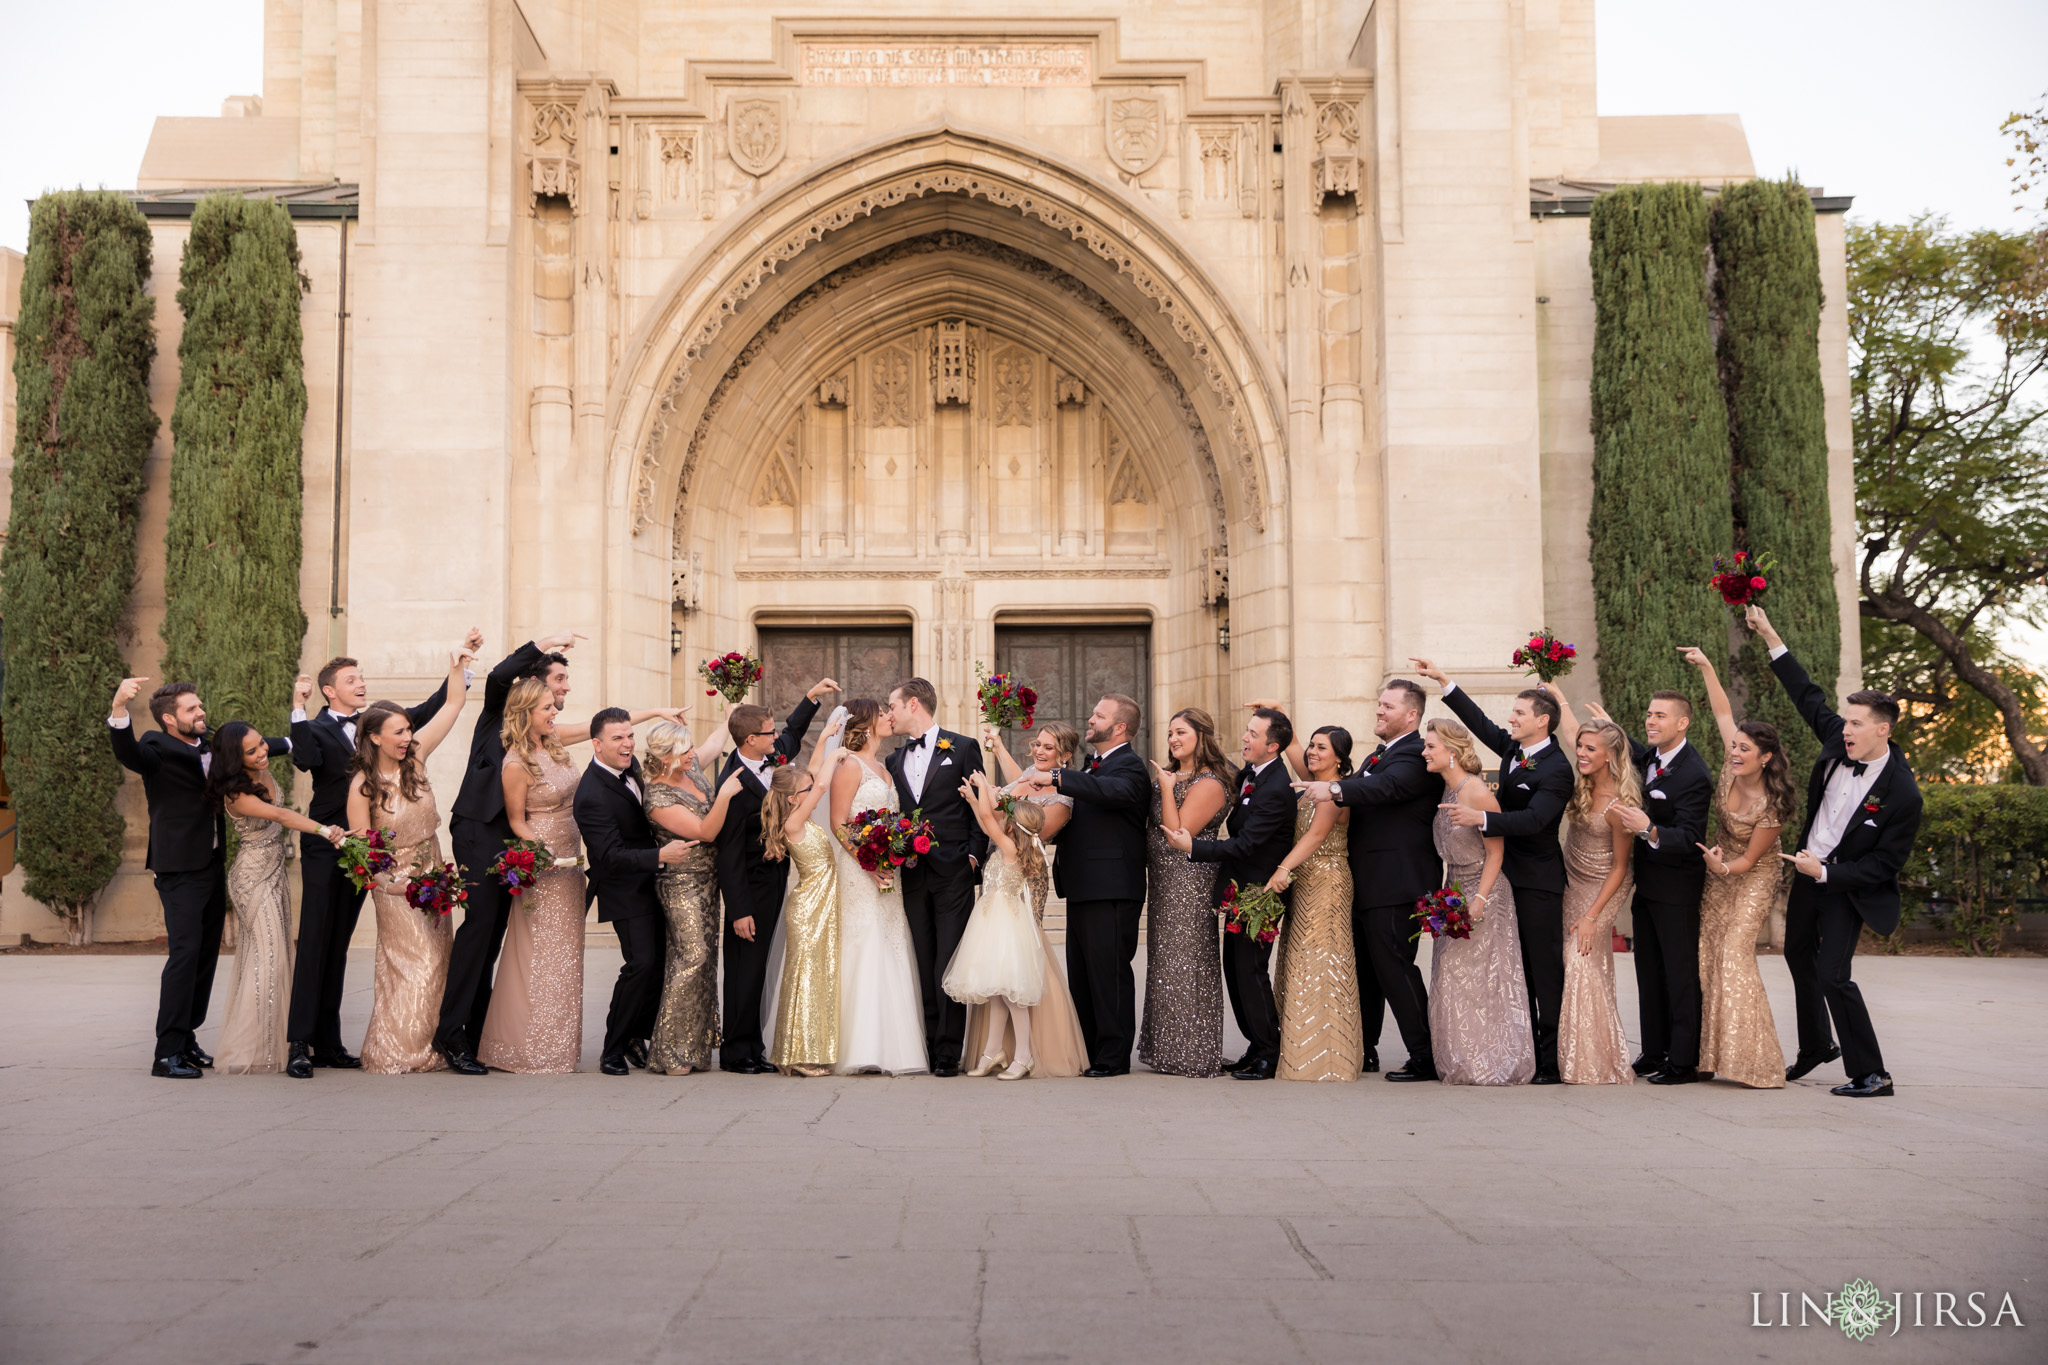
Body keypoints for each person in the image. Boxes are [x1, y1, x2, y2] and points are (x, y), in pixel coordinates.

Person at [288, 630, 478, 1077]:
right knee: (317, 945)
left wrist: (458, 665)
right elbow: (302, 756)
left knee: (341, 950)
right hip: (342, 851)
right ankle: (300, 1041)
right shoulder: (321, 735)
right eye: (351, 678)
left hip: (403, 857)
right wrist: (297, 707)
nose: (361, 682)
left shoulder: (398, 740)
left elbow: (445, 707)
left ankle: (330, 1043)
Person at [1751, 606, 1921, 1098]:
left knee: (1833, 973)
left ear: (1882, 729)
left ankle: (1872, 1073)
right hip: (1808, 871)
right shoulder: (1836, 743)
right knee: (1798, 955)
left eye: (1857, 724)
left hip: (1847, 887)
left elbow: (1885, 864)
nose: (1845, 730)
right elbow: (1806, 694)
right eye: (1845, 722)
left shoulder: (1903, 794)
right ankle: (1816, 1046)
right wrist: (1771, 635)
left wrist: (1826, 873)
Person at [109, 677, 299, 1078]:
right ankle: (167, 1053)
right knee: (184, 954)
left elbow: (258, 748)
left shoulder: (212, 746)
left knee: (205, 956)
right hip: (178, 868)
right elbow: (127, 753)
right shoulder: (156, 748)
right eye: (192, 709)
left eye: (200, 706)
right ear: (169, 719)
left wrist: (302, 734)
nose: (201, 713)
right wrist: (119, 708)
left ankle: (188, 1038)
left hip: (213, 863)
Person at [1421, 658, 1573, 1084]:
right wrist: (1445, 682)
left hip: (1538, 881)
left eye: (1520, 713)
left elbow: (1536, 821)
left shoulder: (1558, 770)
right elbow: (1479, 724)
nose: (1511, 718)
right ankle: (1517, 1046)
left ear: (1542, 721)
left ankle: (1551, 1061)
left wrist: (1481, 821)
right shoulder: (1514, 751)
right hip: (1503, 873)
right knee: (1513, 972)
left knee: (1543, 972)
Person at [436, 630, 579, 1074]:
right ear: (532, 686)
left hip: (518, 839)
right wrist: (545, 641)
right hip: (481, 832)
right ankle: (450, 1035)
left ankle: (479, 1033)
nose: (562, 693)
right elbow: (499, 676)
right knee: (479, 928)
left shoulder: (545, 736)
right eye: (556, 683)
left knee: (495, 933)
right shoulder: (498, 715)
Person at [1299, 680, 1444, 1081]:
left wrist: (1332, 787)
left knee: (1395, 969)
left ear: (1411, 715)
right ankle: (1367, 1048)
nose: (1378, 711)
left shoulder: (1415, 755)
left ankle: (1424, 1055)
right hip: (1369, 882)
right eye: (1378, 704)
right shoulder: (1379, 755)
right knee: (1368, 972)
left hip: (1397, 882)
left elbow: (1386, 788)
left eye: (1387, 706)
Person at [1578, 686, 1713, 1086]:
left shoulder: (1695, 774)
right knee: (1649, 972)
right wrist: (1609, 727)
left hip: (1678, 890)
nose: (1651, 721)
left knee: (1680, 973)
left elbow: (1691, 836)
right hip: (1647, 886)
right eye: (1649, 714)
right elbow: (1626, 748)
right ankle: (1655, 1051)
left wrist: (1650, 829)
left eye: (1660, 716)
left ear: (1682, 723)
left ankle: (1685, 1061)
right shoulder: (1650, 755)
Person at [350, 650, 474, 1074]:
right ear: (374, 738)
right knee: (414, 963)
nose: (407, 737)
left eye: (408, 729)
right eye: (398, 732)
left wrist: (456, 666)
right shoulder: (363, 786)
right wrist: (393, 884)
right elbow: (362, 855)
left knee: (440, 959)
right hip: (395, 885)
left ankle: (431, 1044)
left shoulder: (416, 760)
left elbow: (454, 704)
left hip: (433, 871)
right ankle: (399, 1051)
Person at [1014, 694, 1152, 1077]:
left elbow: (1114, 793)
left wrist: (1056, 776)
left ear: (1119, 727)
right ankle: (1090, 1049)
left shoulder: (1130, 767)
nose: (1090, 719)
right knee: (1085, 973)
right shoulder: (1095, 766)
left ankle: (1113, 1056)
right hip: (1083, 884)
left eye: (1099, 715)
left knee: (1108, 973)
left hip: (1111, 886)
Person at [1678, 645, 1792, 1090]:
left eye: (1745, 749)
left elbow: (1749, 861)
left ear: (1765, 757)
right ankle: (1711, 1056)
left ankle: (1757, 1063)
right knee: (1708, 956)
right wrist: (1707, 665)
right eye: (1736, 746)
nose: (1735, 752)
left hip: (1751, 877)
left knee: (1733, 956)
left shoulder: (1772, 804)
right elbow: (1723, 710)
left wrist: (1721, 868)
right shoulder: (1731, 762)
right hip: (1719, 869)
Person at [204, 717, 345, 1075]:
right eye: (252, 751)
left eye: (261, 744)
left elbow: (301, 743)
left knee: (280, 954)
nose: (262, 752)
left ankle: (279, 1043)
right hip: (251, 877)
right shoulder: (235, 792)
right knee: (267, 957)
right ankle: (252, 1049)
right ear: (236, 758)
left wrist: (300, 710)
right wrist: (326, 830)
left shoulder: (262, 763)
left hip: (276, 873)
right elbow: (281, 814)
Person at [1166, 707, 1298, 1082]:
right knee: (1235, 971)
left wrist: (1194, 847)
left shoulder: (1275, 789)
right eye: (1247, 731)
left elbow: (1245, 844)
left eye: (1253, 735)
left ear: (1272, 746)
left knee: (1251, 972)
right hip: (1239, 892)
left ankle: (1268, 1054)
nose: (1245, 738)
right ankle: (1255, 1046)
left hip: (1260, 895)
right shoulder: (1254, 774)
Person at [713, 680, 833, 1073]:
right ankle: (735, 1051)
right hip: (749, 886)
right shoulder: (730, 783)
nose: (776, 737)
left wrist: (811, 699)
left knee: (762, 967)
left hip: (779, 881)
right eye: (768, 732)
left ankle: (754, 1046)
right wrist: (739, 909)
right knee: (744, 969)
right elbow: (727, 854)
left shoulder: (774, 756)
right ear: (750, 740)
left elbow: (794, 734)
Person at [475, 677, 589, 1074]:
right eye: (546, 708)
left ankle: (559, 1046)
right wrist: (543, 856)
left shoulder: (556, 747)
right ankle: (526, 1048)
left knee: (566, 956)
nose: (555, 712)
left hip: (572, 865)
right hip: (544, 866)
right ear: (525, 714)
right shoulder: (515, 762)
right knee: (538, 954)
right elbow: (517, 821)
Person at [576, 707, 698, 1076]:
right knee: (640, 964)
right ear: (597, 745)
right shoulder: (591, 793)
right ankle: (612, 1048)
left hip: (653, 881)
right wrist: (659, 855)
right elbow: (609, 856)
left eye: (629, 735)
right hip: (623, 888)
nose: (627, 743)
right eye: (617, 738)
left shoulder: (630, 769)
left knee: (659, 962)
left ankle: (636, 1036)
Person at [884, 678, 990, 1076]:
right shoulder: (893, 761)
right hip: (910, 874)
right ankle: (925, 1045)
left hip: (954, 873)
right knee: (923, 959)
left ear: (913, 704)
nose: (887, 713)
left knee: (949, 960)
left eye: (891, 705)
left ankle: (948, 1050)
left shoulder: (961, 747)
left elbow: (981, 804)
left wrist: (974, 857)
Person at [1423, 719, 1536, 1086]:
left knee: (1486, 980)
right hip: (1452, 891)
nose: (1425, 752)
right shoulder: (1445, 789)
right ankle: (1459, 1060)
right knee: (1451, 977)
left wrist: (1480, 900)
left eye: (1431, 747)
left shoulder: (1477, 793)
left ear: (1451, 754)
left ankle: (1493, 1062)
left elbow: (1496, 854)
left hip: (1485, 893)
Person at [828, 700, 929, 1076]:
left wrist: (897, 846)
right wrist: (867, 863)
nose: (891, 717)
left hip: (887, 871)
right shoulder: (847, 765)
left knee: (891, 941)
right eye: (883, 713)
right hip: (860, 871)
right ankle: (859, 1046)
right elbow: (839, 823)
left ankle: (895, 1049)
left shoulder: (885, 767)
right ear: (866, 724)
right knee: (864, 941)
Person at [1547, 703, 1640, 1086]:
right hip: (1571, 880)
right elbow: (1570, 733)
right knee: (1581, 967)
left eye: (1590, 749)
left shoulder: (1621, 805)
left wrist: (1592, 917)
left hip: (1603, 888)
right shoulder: (1583, 784)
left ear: (1610, 755)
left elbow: (1620, 868)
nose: (1581, 753)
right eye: (1580, 747)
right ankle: (1581, 1054)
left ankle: (1597, 1061)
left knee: (1581, 962)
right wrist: (1558, 696)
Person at [643, 719, 742, 1076]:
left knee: (705, 961)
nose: (691, 753)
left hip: (710, 881)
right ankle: (669, 1052)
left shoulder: (691, 768)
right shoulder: (656, 796)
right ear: (666, 755)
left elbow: (715, 744)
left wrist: (730, 712)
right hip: (682, 884)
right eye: (684, 750)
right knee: (692, 958)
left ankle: (695, 1049)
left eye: (689, 748)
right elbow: (705, 831)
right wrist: (727, 793)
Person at [1264, 723, 1362, 1083]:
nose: (1313, 752)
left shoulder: (1335, 792)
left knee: (1322, 960)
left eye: (1322, 748)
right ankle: (1298, 1049)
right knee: (1298, 959)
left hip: (1328, 879)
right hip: (1304, 881)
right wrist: (1276, 713)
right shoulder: (1310, 783)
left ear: (1339, 757)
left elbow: (1318, 834)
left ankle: (1328, 1058)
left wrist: (1282, 869)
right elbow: (1290, 743)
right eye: (1312, 746)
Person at [1139, 708, 1231, 1078]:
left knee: (1188, 963)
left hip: (1189, 882)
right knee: (1166, 965)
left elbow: (1178, 835)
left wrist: (1164, 785)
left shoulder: (1208, 782)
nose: (1174, 739)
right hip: (1164, 882)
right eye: (1170, 734)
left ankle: (1194, 1052)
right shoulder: (1179, 775)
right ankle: (1168, 1049)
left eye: (1181, 732)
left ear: (1201, 736)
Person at [947, 772, 1055, 1079]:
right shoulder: (1007, 846)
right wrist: (972, 799)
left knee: (1011, 995)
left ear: (1012, 826)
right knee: (996, 992)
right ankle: (993, 1050)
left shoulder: (1009, 849)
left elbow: (986, 817)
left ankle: (1024, 1056)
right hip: (991, 923)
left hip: (1004, 927)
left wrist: (984, 789)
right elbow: (985, 822)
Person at [763, 734, 847, 1076]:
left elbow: (813, 774)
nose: (811, 791)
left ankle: (791, 1053)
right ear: (794, 798)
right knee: (805, 978)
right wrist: (837, 753)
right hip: (809, 907)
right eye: (805, 791)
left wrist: (825, 738)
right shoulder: (793, 823)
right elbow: (822, 783)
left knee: (811, 976)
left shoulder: (800, 816)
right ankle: (798, 1055)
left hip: (821, 904)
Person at [985, 720, 1080, 843]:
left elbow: (1027, 842)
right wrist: (998, 749)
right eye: (1037, 744)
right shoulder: (1033, 771)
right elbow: (1018, 781)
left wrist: (987, 799)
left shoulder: (1062, 800)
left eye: (1048, 748)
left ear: (1066, 756)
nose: (1039, 751)